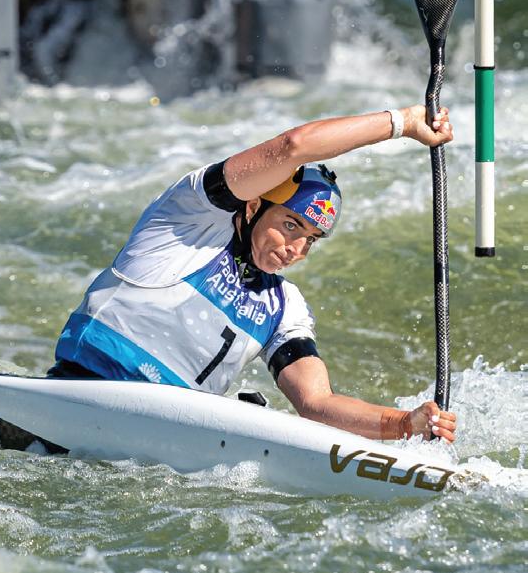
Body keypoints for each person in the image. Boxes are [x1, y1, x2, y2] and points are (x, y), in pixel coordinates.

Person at [49, 104, 457, 443]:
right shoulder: (188, 219)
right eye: (291, 225)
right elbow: (293, 146)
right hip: (80, 391)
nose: (296, 249)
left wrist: (404, 424)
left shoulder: (283, 306)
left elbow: (316, 403)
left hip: (164, 438)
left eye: (311, 239)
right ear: (252, 207)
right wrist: (402, 122)